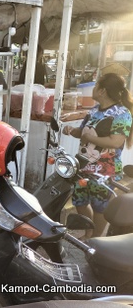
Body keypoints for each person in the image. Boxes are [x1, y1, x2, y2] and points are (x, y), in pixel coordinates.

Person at [62, 72, 133, 238]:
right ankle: (89, 232)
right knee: (80, 201)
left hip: (104, 170)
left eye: (96, 86)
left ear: (102, 91)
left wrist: (89, 137)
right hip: (83, 166)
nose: (93, 90)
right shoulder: (94, 110)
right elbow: (83, 132)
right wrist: (72, 131)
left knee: (100, 207)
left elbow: (115, 142)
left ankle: (97, 238)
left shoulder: (122, 114)